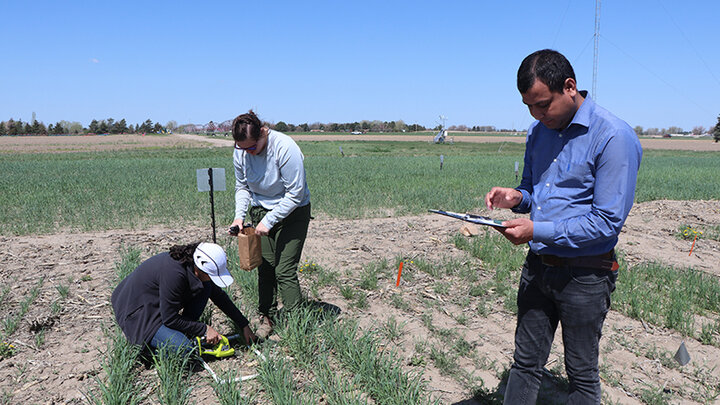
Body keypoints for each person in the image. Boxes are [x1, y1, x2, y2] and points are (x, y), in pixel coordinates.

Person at [485, 49, 642, 403]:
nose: (537, 115)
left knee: (582, 376)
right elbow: (535, 192)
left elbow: (606, 223)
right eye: (529, 106)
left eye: (542, 105)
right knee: (525, 364)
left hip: (585, 276)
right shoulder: (538, 132)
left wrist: (534, 230)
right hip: (538, 269)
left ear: (569, 87)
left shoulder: (613, 137)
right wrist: (516, 197)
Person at [229, 110, 311, 339]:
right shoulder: (242, 151)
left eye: (252, 147)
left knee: (284, 270)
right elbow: (242, 187)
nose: (248, 153)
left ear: (263, 132)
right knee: (265, 268)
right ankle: (267, 316)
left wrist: (269, 220)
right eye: (242, 149)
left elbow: (295, 194)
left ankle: (296, 325)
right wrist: (239, 217)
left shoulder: (285, 148)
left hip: (293, 212)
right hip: (260, 211)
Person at [111, 242, 257, 356]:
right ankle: (147, 351)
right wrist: (204, 329)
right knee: (185, 351)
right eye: (211, 275)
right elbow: (169, 318)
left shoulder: (194, 266)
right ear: (199, 268)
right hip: (137, 312)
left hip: (155, 304)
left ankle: (179, 334)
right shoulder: (174, 274)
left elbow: (220, 297)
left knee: (206, 288)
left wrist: (243, 324)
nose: (212, 279)